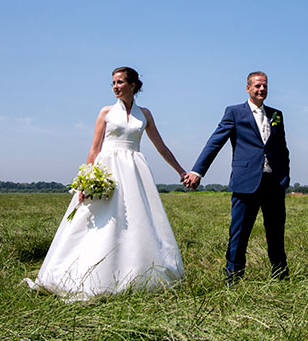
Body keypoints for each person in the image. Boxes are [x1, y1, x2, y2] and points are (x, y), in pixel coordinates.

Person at [25, 67, 190, 300]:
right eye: (113, 82)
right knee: (97, 220)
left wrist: (181, 171)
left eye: (120, 82)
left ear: (133, 85)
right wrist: (85, 182)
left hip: (134, 169)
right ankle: (84, 274)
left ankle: (136, 274)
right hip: (108, 170)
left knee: (136, 221)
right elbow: (94, 148)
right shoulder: (105, 112)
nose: (115, 86)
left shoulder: (145, 114)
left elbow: (161, 147)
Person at [186, 71, 290, 283]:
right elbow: (215, 142)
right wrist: (198, 171)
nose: (261, 89)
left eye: (265, 86)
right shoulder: (234, 112)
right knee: (239, 233)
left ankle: (280, 276)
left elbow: (282, 149)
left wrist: (284, 178)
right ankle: (233, 278)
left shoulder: (276, 114)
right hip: (246, 182)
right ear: (248, 88)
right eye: (257, 86)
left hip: (273, 183)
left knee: (276, 233)